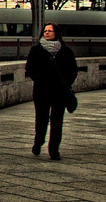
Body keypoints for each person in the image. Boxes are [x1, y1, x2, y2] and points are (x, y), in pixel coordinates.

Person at [25, 22, 78, 161]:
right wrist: (39, 79)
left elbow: (73, 70)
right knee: (41, 119)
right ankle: (38, 142)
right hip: (41, 91)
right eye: (45, 31)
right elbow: (29, 69)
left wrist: (66, 83)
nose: (46, 33)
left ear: (57, 33)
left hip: (59, 92)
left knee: (57, 121)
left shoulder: (66, 51)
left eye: (50, 31)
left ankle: (54, 150)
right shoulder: (36, 50)